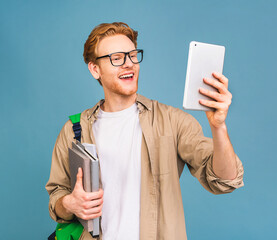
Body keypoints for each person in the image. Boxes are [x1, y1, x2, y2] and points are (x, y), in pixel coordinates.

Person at [45, 22, 244, 240]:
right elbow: (58, 197)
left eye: (132, 55)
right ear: (95, 69)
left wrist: (218, 127)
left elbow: (225, 181)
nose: (129, 64)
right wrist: (70, 203)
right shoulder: (75, 129)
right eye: (117, 58)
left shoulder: (172, 121)